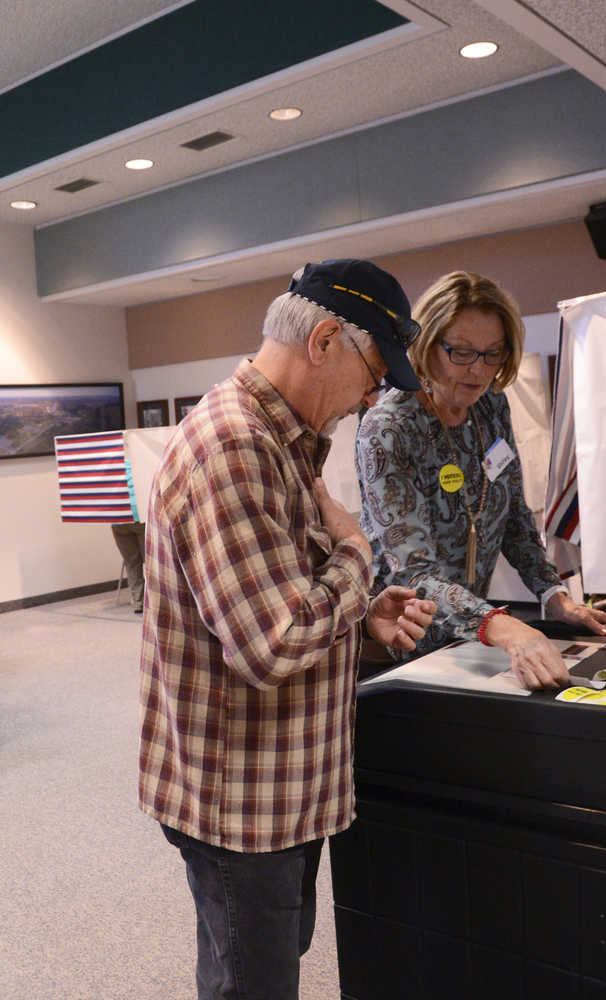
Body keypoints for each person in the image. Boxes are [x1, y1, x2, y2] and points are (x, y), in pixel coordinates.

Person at [138, 258, 436, 1000]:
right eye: (374, 373)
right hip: (241, 803)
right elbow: (271, 642)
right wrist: (357, 558)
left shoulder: (282, 441)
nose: (372, 396)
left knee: (259, 966)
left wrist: (357, 616)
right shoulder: (234, 446)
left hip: (276, 787)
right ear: (326, 339)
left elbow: (280, 596)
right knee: (253, 984)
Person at [355, 270, 606, 691]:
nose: (479, 370)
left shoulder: (489, 406)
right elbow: (414, 573)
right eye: (462, 352)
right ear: (425, 342)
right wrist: (507, 628)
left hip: (471, 639)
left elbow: (511, 515)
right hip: (402, 647)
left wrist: (553, 596)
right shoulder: (389, 427)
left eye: (493, 354)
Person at [110, 520, 145, 612]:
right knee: (151, 560)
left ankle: (138, 602)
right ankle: (157, 600)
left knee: (132, 563)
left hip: (118, 521)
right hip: (141, 520)